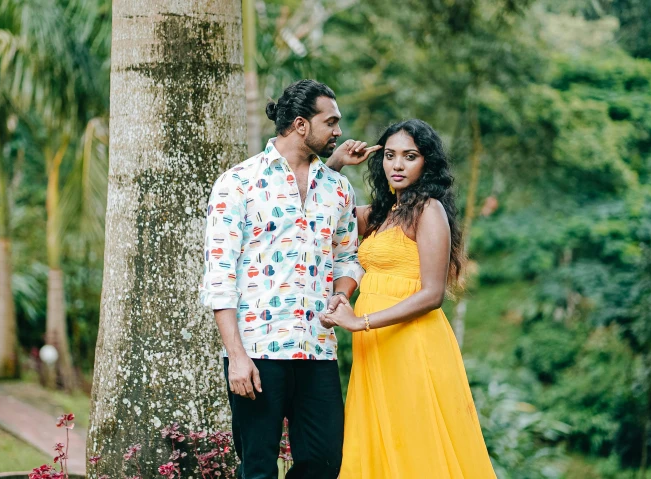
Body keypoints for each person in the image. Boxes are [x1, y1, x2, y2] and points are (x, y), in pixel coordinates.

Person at [199, 79, 378, 479]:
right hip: (258, 351)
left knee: (324, 462)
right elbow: (219, 276)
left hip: (318, 352)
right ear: (300, 124)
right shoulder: (238, 183)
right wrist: (237, 356)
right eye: (330, 122)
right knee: (258, 467)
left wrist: (342, 294)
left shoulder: (338, 190)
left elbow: (349, 257)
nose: (338, 131)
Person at [322, 119, 496, 478]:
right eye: (389, 155)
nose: (397, 165)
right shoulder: (383, 214)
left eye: (409, 156)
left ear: (426, 163)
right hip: (375, 347)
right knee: (381, 442)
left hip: (411, 342)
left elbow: (432, 295)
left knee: (415, 442)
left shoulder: (428, 210)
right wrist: (335, 164)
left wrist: (359, 322)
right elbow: (326, 216)